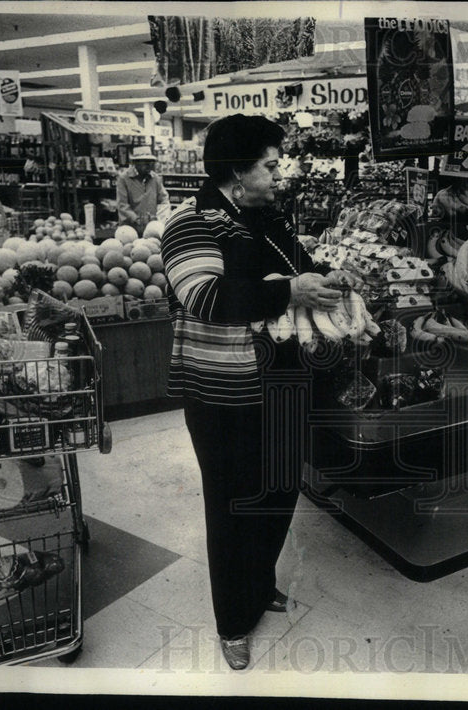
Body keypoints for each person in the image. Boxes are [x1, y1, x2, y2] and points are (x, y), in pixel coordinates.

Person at [160, 114, 360, 671]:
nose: (280, 173)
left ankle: (261, 583)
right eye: (270, 165)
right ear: (236, 170)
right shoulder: (190, 223)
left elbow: (298, 269)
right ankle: (232, 621)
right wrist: (290, 290)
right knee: (231, 504)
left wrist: (326, 277)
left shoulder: (269, 219)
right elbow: (204, 296)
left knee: (277, 489)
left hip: (284, 378)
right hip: (223, 387)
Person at [116, 146, 170, 231]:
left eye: (150, 161)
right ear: (135, 163)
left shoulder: (155, 178)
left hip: (152, 227)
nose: (149, 165)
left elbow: (164, 199)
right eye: (145, 161)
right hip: (129, 229)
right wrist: (136, 219)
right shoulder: (124, 179)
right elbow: (122, 205)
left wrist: (161, 217)